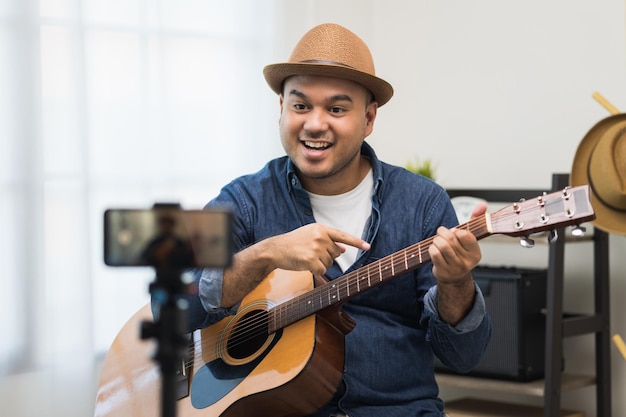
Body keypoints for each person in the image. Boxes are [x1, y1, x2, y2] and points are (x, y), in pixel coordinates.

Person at [185, 23, 491, 417]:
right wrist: (265, 254)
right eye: (300, 106)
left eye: (336, 108)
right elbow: (176, 307)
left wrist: (456, 284)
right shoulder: (241, 201)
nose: (314, 123)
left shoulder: (423, 203)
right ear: (281, 109)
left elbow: (463, 356)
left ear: (368, 118)